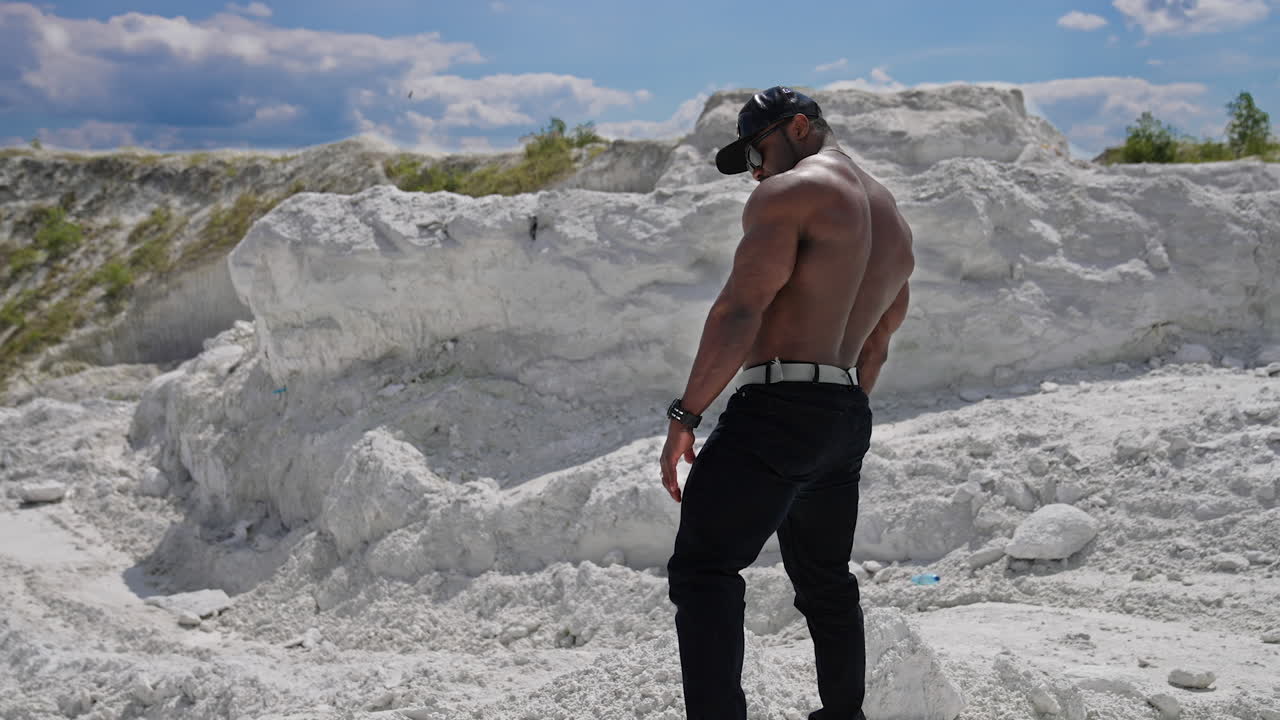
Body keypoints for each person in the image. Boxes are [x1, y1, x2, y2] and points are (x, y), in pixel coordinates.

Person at [659, 86, 915, 720]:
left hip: (777, 409)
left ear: (799, 126)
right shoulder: (895, 224)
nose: (754, 170)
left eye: (758, 150)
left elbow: (741, 309)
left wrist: (685, 416)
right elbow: (877, 345)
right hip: (846, 411)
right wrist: (834, 424)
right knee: (827, 581)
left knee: (704, 570)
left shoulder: (792, 192)